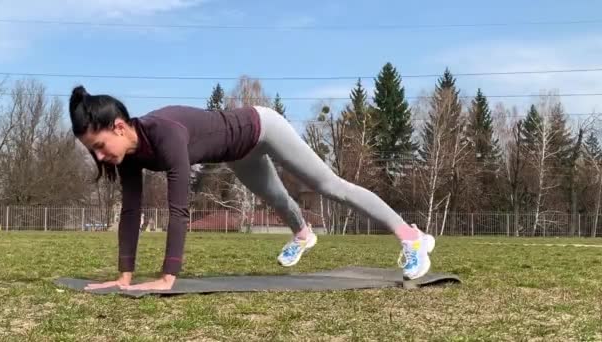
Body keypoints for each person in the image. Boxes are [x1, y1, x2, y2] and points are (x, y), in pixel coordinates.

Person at [68, 85, 436, 291]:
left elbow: (179, 208)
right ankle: (303, 234)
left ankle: (412, 237)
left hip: (262, 126)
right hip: (238, 151)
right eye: (92, 152)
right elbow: (132, 212)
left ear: (119, 126)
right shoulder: (129, 156)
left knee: (327, 184)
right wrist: (124, 277)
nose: (99, 157)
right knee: (274, 196)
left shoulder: (165, 133)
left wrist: (167, 278)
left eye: (99, 146)